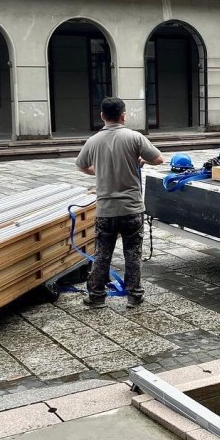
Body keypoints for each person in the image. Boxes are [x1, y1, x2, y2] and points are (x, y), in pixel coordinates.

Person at [75, 97, 164, 308]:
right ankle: (134, 296)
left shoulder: (93, 140)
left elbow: (81, 165)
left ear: (102, 116)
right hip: (131, 208)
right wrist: (142, 160)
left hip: (105, 209)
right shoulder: (134, 137)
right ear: (124, 115)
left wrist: (98, 172)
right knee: (132, 253)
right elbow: (158, 159)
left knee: (102, 254)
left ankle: (96, 297)